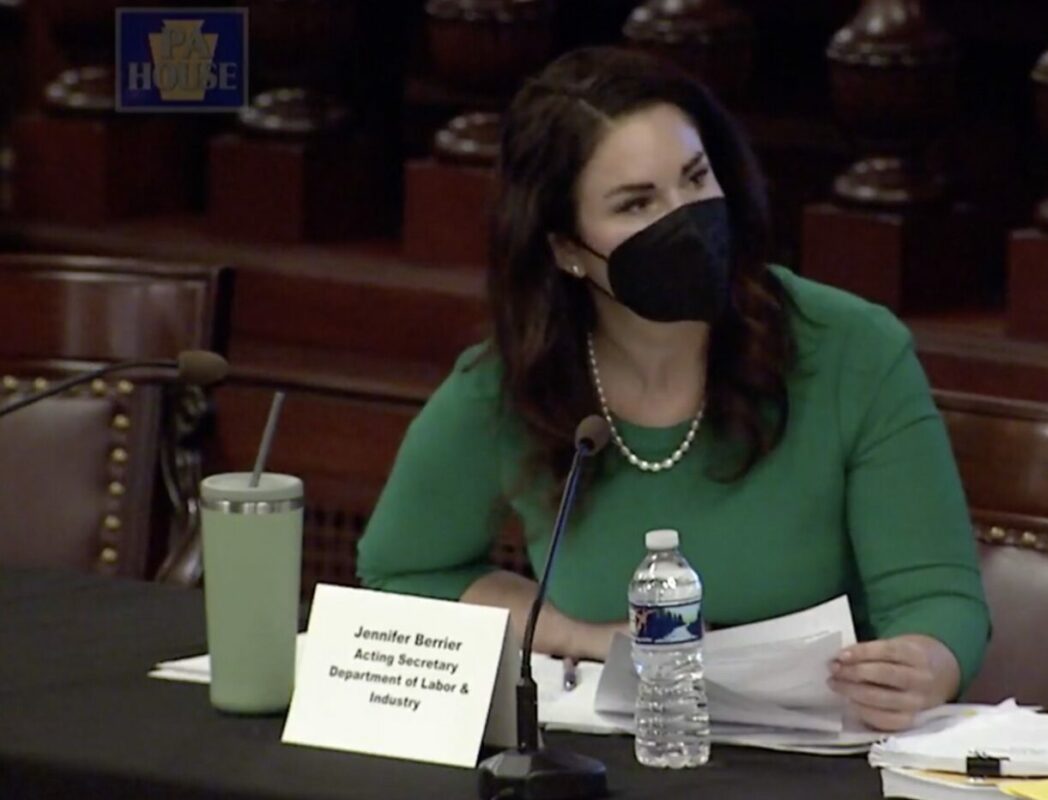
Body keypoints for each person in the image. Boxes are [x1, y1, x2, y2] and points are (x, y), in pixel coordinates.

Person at [357, 46, 989, 732]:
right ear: (567, 248)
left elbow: (937, 599)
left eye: (694, 180)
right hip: (613, 755)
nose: (683, 219)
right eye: (636, 203)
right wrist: (577, 634)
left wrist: (924, 666)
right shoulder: (513, 385)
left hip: (819, 756)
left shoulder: (849, 349)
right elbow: (402, 573)